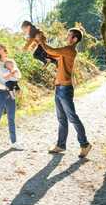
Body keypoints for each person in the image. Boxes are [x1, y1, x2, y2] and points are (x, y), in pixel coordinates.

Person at [36, 28, 92, 158]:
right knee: (62, 119)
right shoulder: (65, 51)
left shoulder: (70, 50)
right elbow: (50, 54)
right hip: (58, 87)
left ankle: (85, 144)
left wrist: (42, 41)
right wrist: (40, 44)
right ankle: (61, 145)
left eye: (69, 35)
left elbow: (52, 50)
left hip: (65, 89)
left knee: (72, 117)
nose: (67, 37)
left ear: (75, 39)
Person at [0, 43, 22, 152]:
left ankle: (14, 142)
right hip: (0, 93)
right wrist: (6, 87)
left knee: (11, 118)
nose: (1, 50)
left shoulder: (11, 61)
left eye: (1, 47)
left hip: (11, 92)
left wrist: (13, 76)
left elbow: (18, 75)